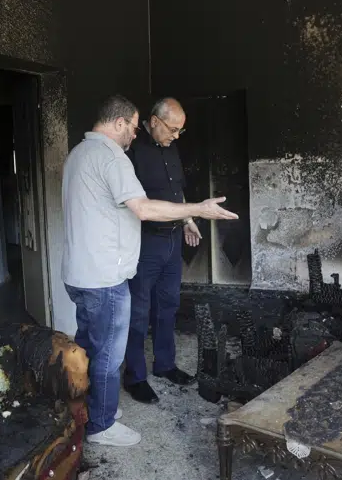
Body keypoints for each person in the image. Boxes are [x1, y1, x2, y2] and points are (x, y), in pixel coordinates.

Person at [61, 95, 238, 447]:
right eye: (132, 126)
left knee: (89, 346)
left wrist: (187, 217)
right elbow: (141, 208)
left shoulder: (78, 154)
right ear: (122, 122)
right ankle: (101, 424)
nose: (133, 135)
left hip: (81, 271)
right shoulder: (115, 157)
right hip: (106, 274)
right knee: (110, 352)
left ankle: (92, 410)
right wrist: (199, 209)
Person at [122, 98, 203, 404]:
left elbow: (176, 191)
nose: (176, 136)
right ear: (154, 121)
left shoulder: (171, 145)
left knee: (168, 305)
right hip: (145, 242)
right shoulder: (132, 150)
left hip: (172, 239)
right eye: (173, 129)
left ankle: (165, 365)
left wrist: (188, 220)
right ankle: (135, 377)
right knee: (139, 312)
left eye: (181, 131)